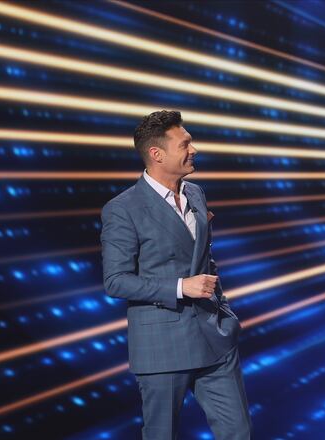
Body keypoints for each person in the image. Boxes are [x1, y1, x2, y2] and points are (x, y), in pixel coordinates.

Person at [100, 110, 251, 439]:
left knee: (238, 431)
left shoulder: (195, 193)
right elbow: (116, 280)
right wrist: (182, 287)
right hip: (162, 345)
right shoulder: (122, 209)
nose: (193, 150)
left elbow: (206, 260)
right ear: (157, 154)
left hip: (214, 338)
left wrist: (224, 310)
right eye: (185, 144)